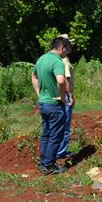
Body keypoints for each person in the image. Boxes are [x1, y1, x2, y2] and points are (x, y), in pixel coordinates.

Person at [31, 37, 70, 174]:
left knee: (46, 134)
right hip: (54, 104)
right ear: (62, 47)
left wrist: (39, 94)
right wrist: (62, 97)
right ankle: (49, 165)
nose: (67, 53)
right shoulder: (57, 61)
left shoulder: (41, 59)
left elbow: (33, 76)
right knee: (55, 135)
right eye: (68, 50)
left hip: (43, 103)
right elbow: (61, 80)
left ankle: (43, 162)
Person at [54, 33, 75, 166]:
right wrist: (71, 96)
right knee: (65, 124)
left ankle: (55, 150)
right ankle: (61, 152)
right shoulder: (64, 60)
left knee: (56, 124)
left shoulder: (53, 58)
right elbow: (66, 79)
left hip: (55, 94)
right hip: (65, 94)